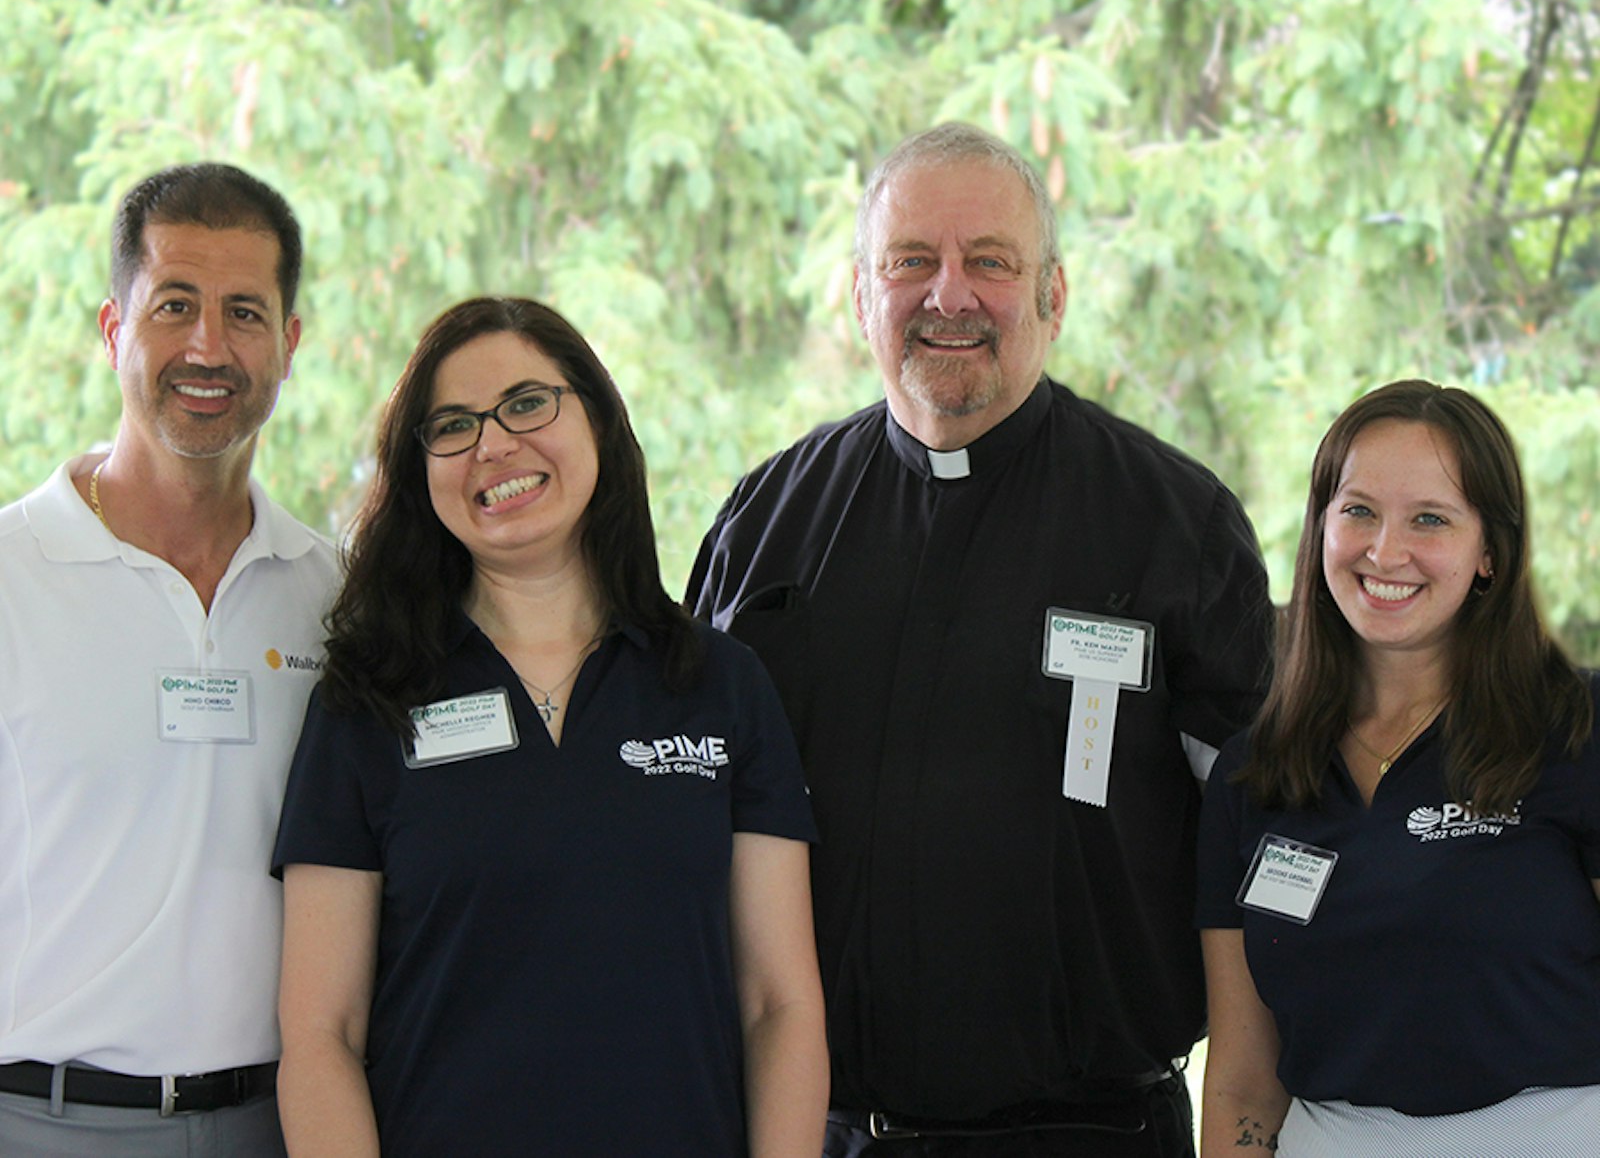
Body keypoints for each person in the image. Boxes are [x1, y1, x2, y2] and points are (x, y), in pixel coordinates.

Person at [687, 122, 1273, 1156]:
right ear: (861, 293)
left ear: (1052, 293)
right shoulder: (763, 521)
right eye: (910, 261)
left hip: (1090, 1132)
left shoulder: (1172, 522)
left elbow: (1262, 846)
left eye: (987, 263)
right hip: (815, 1132)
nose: (947, 294)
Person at [271, 296, 828, 1156]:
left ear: (598, 420)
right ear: (421, 470)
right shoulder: (367, 700)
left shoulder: (720, 686)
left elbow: (779, 1005)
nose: (494, 445)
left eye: (529, 403)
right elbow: (320, 1034)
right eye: (452, 425)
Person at [0, 164, 338, 1156]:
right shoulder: (9, 573)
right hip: (42, 1118)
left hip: (277, 1123)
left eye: (244, 312)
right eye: (175, 306)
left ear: (289, 343)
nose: (208, 345)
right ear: (114, 329)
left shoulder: (336, 592)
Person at [1197, 380, 1600, 1156]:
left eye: (1430, 519)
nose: (1386, 552)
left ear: (1490, 551)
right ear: (1320, 528)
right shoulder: (1257, 774)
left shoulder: (1574, 732)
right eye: (1358, 511)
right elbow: (1244, 1082)